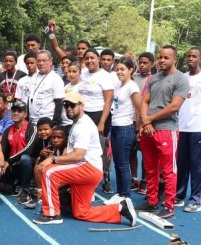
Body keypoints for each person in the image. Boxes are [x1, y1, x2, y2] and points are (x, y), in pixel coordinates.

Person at [34, 92, 137, 227]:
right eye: (66, 106)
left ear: (82, 106)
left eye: (72, 105)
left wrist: (52, 159)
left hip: (87, 167)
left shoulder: (83, 126)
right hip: (87, 169)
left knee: (49, 172)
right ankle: (120, 208)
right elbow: (71, 154)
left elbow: (78, 155)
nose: (68, 108)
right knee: (81, 212)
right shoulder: (77, 124)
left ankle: (52, 214)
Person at [137, 45, 190, 222]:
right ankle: (152, 201)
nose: (162, 60)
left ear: (175, 59)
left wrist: (149, 119)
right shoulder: (154, 78)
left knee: (168, 170)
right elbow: (145, 101)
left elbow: (174, 106)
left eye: (166, 57)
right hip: (149, 129)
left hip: (167, 129)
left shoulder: (181, 79)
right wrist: (146, 121)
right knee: (150, 168)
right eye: (160, 57)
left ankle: (168, 206)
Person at [175, 47, 201, 213]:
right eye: (188, 56)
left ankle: (195, 200)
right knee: (181, 163)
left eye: (194, 56)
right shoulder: (182, 78)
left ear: (200, 59)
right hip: (181, 127)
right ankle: (179, 195)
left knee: (197, 165)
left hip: (198, 128)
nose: (191, 58)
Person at [79, 48, 114, 193]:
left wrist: (102, 122)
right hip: (83, 115)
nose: (89, 61)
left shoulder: (105, 76)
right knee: (83, 147)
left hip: (99, 114)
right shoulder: (82, 74)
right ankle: (85, 178)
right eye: (86, 58)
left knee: (100, 149)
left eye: (92, 58)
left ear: (98, 59)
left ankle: (105, 178)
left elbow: (108, 101)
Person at [109, 57, 141, 201]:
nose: (119, 72)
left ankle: (126, 195)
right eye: (117, 69)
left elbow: (139, 108)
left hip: (125, 127)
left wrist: (138, 128)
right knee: (117, 162)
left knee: (123, 163)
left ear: (131, 70)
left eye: (122, 69)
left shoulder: (132, 86)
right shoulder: (118, 85)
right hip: (115, 126)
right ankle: (120, 193)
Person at [0, 100, 37, 201]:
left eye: (19, 111)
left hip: (27, 164)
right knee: (2, 187)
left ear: (25, 114)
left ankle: (26, 191)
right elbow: (3, 150)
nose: (15, 113)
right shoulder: (8, 130)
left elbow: (28, 149)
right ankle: (16, 182)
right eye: (14, 111)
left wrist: (9, 160)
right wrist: (3, 163)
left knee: (25, 158)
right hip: (12, 165)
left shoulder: (32, 128)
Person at [132, 52, 155, 193]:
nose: (142, 65)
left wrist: (145, 121)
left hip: (145, 119)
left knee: (146, 153)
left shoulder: (154, 79)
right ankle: (134, 178)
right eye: (140, 62)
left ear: (152, 64)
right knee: (131, 151)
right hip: (131, 119)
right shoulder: (133, 78)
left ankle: (145, 181)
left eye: (145, 63)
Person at [28, 125, 68, 208]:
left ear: (66, 138)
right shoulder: (53, 147)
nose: (55, 140)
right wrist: (42, 155)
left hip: (68, 184)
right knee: (39, 166)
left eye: (59, 137)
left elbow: (68, 176)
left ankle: (44, 197)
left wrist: (47, 189)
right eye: (53, 137)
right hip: (57, 180)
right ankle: (41, 197)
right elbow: (40, 162)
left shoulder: (67, 150)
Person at [27, 50, 66, 126]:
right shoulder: (34, 76)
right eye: (38, 61)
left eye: (44, 61)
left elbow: (59, 102)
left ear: (50, 61)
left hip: (47, 122)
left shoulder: (55, 78)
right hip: (32, 121)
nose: (41, 63)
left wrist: (55, 123)